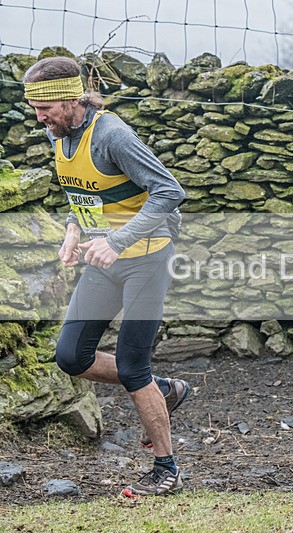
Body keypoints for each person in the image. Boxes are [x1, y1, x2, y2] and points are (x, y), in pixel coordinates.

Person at [23, 57, 189, 497]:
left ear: (72, 98)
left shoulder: (113, 136)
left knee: (135, 365)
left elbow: (170, 192)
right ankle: (167, 390)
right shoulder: (57, 132)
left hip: (147, 260)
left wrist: (116, 241)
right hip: (103, 261)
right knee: (71, 356)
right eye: (35, 109)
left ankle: (166, 468)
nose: (39, 118)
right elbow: (83, 191)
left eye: (45, 108)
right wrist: (73, 230)